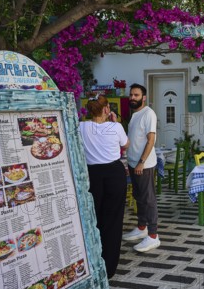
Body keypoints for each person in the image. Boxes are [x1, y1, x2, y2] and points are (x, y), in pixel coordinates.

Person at [79, 94, 129, 278]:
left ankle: (92, 260)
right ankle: (108, 268)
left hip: (92, 175)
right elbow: (126, 144)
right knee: (113, 220)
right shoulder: (115, 127)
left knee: (94, 218)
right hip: (114, 174)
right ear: (107, 109)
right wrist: (115, 122)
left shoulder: (81, 126)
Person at [122, 83, 160, 252]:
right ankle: (142, 227)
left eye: (136, 95)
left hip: (143, 164)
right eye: (131, 95)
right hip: (132, 162)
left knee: (148, 199)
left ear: (143, 97)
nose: (132, 98)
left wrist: (141, 161)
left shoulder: (148, 113)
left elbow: (151, 139)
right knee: (138, 197)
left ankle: (153, 236)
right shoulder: (134, 114)